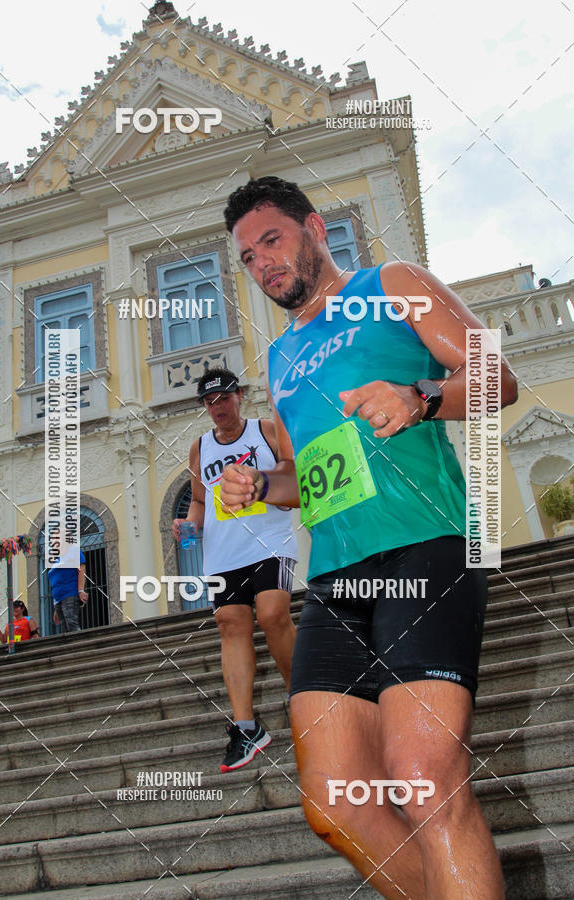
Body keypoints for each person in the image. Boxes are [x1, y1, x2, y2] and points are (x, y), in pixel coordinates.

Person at [220, 176, 518, 899]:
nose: (263, 264)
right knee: (333, 805)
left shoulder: (393, 283)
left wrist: (419, 398)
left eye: (272, 240)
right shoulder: (281, 359)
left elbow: (496, 377)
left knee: (424, 778)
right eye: (248, 258)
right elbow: (302, 474)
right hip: (336, 579)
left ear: (314, 229)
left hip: (425, 545)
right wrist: (261, 487)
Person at [172, 367, 298, 773]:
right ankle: (247, 727)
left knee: (274, 613)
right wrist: (188, 528)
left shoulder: (264, 431)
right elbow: (197, 501)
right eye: (210, 402)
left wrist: (271, 488)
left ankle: (306, 702)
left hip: (270, 540)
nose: (218, 407)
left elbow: (294, 474)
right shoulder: (199, 448)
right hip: (224, 554)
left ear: (239, 396)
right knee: (230, 624)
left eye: (224, 398)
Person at [47, 543, 88, 633]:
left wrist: (81, 590)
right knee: (65, 628)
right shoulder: (57, 558)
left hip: (69, 592)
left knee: (71, 623)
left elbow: (81, 568)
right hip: (58, 599)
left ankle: (79, 644)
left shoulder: (73, 550)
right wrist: (57, 603)